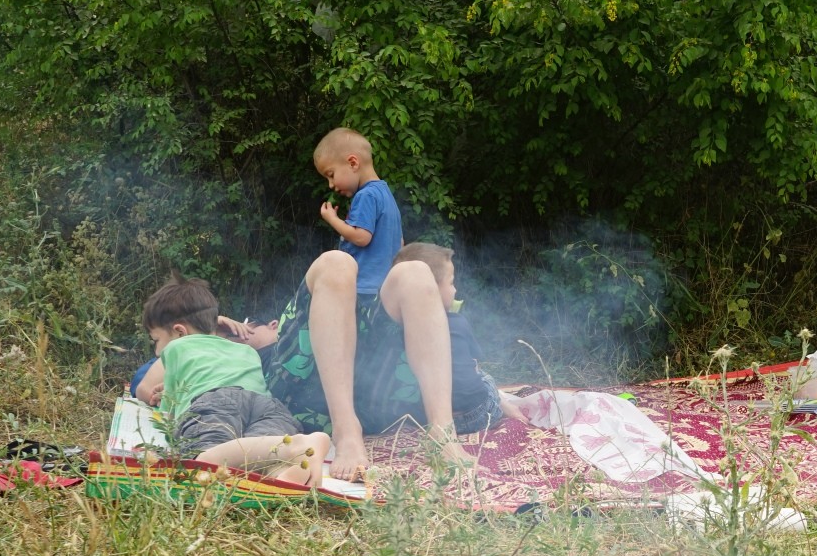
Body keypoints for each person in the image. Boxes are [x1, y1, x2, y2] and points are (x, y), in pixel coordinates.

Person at [224, 242, 526, 474]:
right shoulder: (241, 345)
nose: (247, 330)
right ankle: (346, 431)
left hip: (374, 396)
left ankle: (442, 434)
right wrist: (217, 327)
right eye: (244, 327)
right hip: (300, 389)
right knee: (336, 262)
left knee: (416, 271)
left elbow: (462, 370)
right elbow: (190, 342)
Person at [137, 279, 331, 486]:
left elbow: (168, 411)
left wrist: (165, 398)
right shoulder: (245, 350)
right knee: (258, 461)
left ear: (179, 332)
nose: (157, 351)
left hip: (215, 400)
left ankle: (296, 446)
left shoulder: (177, 347)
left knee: (202, 463)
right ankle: (284, 470)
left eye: (156, 341)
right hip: (269, 407)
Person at [313, 127, 403, 305]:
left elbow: (361, 237)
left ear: (353, 163)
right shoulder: (385, 194)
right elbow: (399, 242)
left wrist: (332, 219)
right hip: (382, 288)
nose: (330, 185)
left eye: (331, 175)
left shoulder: (366, 196)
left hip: (363, 289)